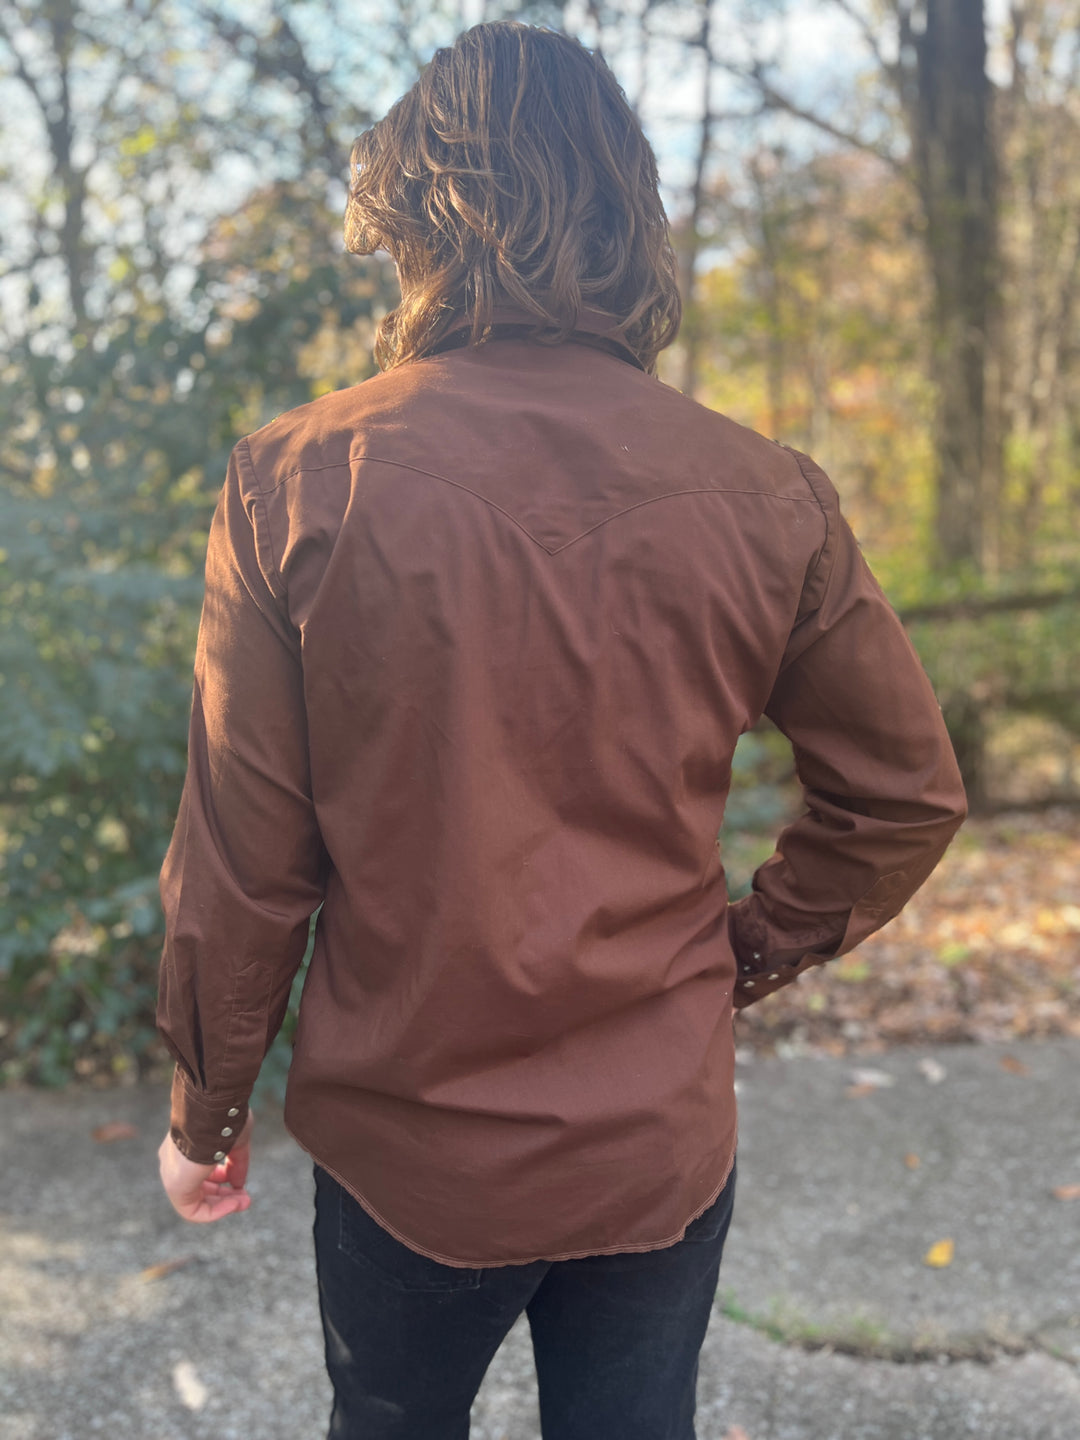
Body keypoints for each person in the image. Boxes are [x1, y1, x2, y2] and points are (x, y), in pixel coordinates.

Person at [156, 21, 967, 1440]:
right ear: (626, 214)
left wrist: (204, 1114)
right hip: (652, 1138)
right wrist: (744, 951)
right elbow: (904, 795)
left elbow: (244, 864)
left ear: (412, 210)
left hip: (410, 1143)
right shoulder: (764, 494)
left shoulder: (297, 482)